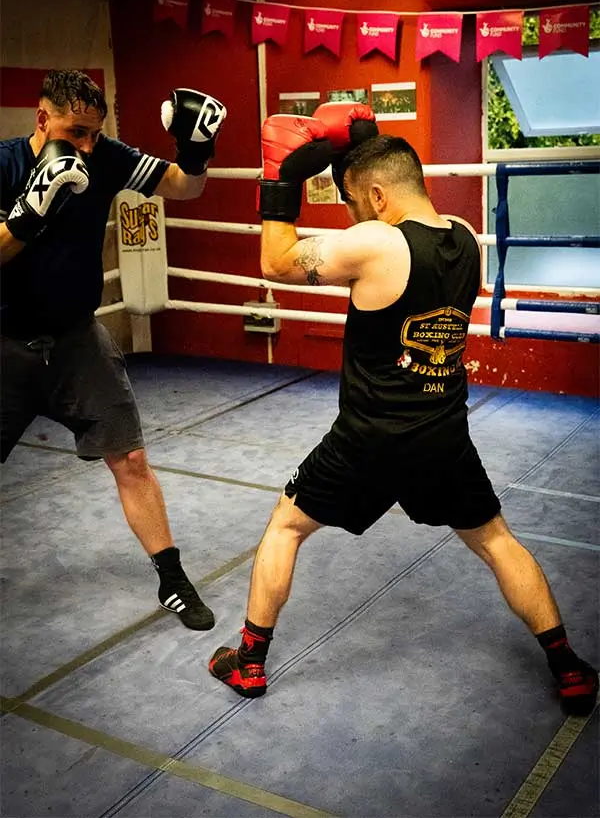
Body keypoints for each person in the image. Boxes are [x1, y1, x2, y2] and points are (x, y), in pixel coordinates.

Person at [208, 103, 599, 714]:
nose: (352, 217)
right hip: (443, 436)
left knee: (284, 528)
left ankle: (250, 663)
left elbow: (274, 261)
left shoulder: (377, 243)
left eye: (353, 203)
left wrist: (280, 183)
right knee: (497, 541)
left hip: (365, 440)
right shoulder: (466, 236)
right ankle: (568, 666)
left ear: (378, 194)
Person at [0, 69, 227, 630]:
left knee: (130, 458)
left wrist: (195, 152)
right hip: (4, 343)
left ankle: (172, 579)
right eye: (76, 132)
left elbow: (183, 186)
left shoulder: (103, 156)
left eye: (94, 133)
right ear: (42, 119)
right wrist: (30, 212)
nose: (85, 145)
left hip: (77, 338)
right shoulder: (3, 164)